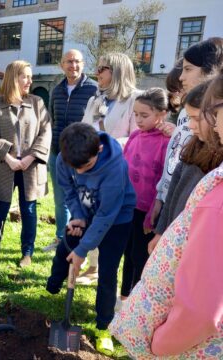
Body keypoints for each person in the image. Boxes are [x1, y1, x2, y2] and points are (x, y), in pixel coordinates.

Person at [110, 72, 223, 358]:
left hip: (180, 339)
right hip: (170, 234)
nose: (192, 126)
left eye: (201, 118)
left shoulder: (216, 183)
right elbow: (172, 185)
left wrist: (161, 345)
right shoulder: (193, 145)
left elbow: (200, 305)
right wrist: (164, 229)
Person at [45, 122, 136, 355]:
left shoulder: (115, 168)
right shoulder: (66, 158)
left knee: (107, 271)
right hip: (85, 212)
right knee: (66, 248)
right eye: (75, 167)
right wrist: (77, 216)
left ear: (98, 151)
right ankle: (54, 285)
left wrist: (84, 249)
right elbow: (68, 190)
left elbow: (106, 215)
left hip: (117, 220)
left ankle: (104, 325)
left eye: (86, 166)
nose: (81, 172)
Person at [78, 52, 141, 284]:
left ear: (116, 72)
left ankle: (106, 274)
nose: (97, 73)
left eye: (102, 68)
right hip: (91, 172)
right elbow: (85, 127)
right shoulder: (96, 99)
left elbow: (138, 139)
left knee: (110, 223)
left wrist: (104, 147)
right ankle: (92, 266)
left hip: (117, 173)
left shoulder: (135, 99)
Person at [0, 60, 51, 267]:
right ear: (14, 78)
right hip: (4, 166)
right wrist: (9, 158)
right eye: (26, 76)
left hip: (30, 167)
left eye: (30, 76)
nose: (30, 81)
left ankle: (27, 253)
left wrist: (30, 157)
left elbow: (46, 131)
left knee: (29, 210)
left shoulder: (37, 102)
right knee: (0, 210)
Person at [152, 38, 223, 226]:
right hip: (172, 216)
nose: (181, 77)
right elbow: (177, 171)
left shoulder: (214, 138)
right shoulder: (187, 113)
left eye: (188, 69)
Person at [148, 81, 223, 254]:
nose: (190, 125)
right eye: (189, 118)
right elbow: (173, 192)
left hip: (197, 246)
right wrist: (161, 231)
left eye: (196, 118)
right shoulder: (194, 146)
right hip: (174, 237)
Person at [119, 88, 170, 301]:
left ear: (162, 114)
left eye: (144, 115)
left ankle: (137, 301)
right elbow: (123, 166)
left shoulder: (166, 142)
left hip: (148, 211)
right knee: (127, 253)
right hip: (128, 206)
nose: (138, 120)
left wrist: (152, 213)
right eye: (136, 114)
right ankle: (123, 297)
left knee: (141, 256)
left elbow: (163, 180)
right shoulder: (134, 136)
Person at [45, 49, 98, 252]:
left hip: (83, 157)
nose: (72, 65)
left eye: (76, 61)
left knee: (85, 200)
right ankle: (62, 239)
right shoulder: (56, 90)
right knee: (61, 200)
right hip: (58, 154)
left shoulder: (93, 89)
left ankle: (85, 242)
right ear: (61, 65)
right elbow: (53, 119)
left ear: (83, 64)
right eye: (68, 62)